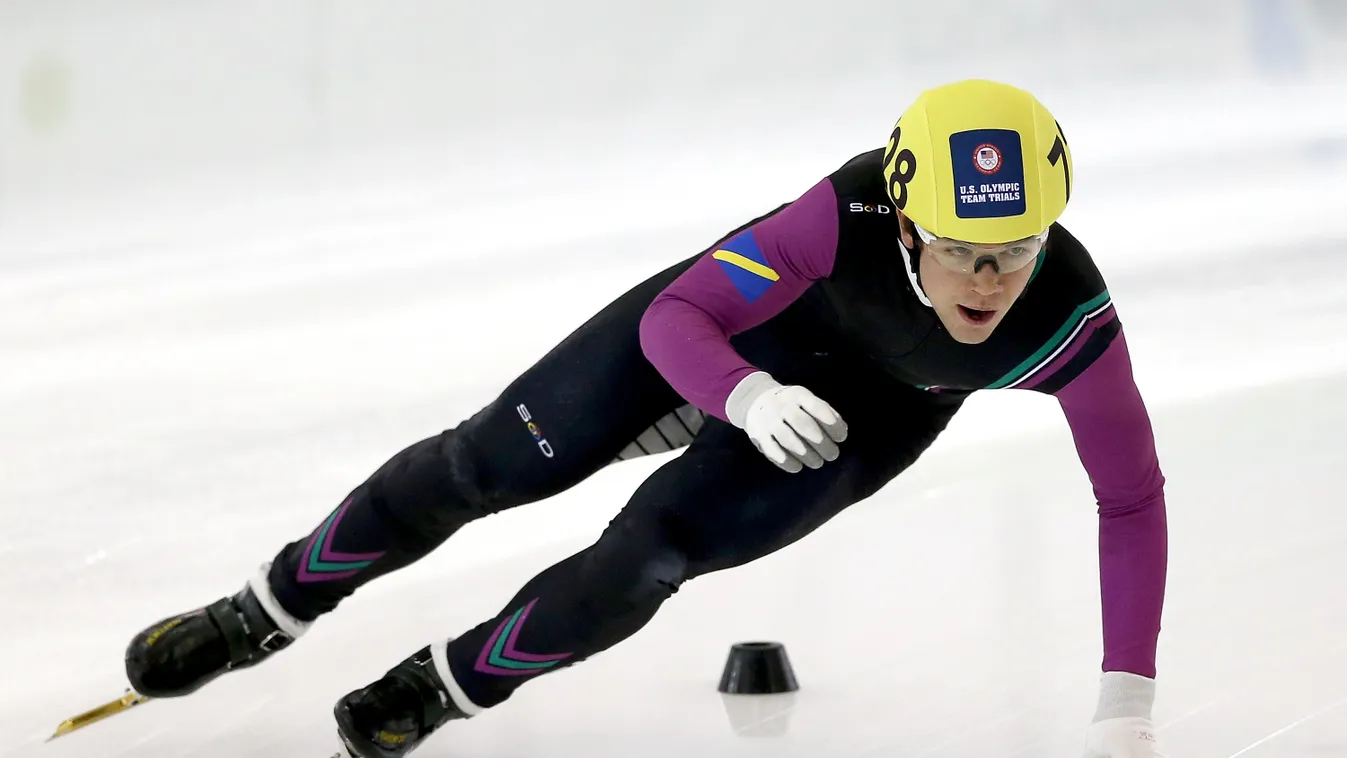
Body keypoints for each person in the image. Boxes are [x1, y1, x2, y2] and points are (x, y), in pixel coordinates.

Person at [122, 79, 1170, 758]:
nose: (989, 281)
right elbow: (683, 315)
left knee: (650, 555)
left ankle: (443, 686)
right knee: (481, 463)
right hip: (733, 348)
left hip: (870, 412)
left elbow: (1130, 498)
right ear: (902, 215)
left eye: (1019, 246)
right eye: (959, 247)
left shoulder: (1069, 316)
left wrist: (1127, 698)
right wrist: (743, 393)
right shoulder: (840, 212)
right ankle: (270, 602)